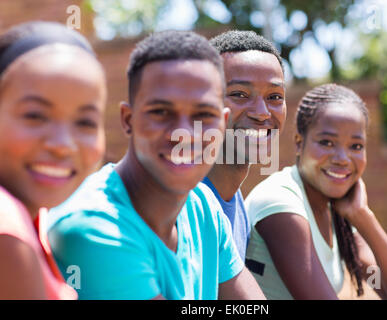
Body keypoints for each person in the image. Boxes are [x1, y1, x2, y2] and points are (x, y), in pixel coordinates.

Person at [47, 30, 265, 300]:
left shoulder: (202, 205)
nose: (183, 133)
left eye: (203, 114)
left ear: (222, 122)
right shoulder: (93, 228)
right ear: (128, 119)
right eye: (161, 112)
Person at [245, 83, 387, 300]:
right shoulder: (280, 202)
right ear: (299, 143)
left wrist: (364, 217)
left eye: (356, 146)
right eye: (327, 142)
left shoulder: (337, 214)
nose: (342, 158)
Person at [0, 21, 107, 299]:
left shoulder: (36, 219)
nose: (63, 145)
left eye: (85, 122)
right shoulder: (7, 233)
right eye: (35, 115)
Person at [203, 30, 286, 262]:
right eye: (239, 94)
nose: (262, 113)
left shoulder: (237, 206)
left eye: (275, 97)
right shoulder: (182, 206)